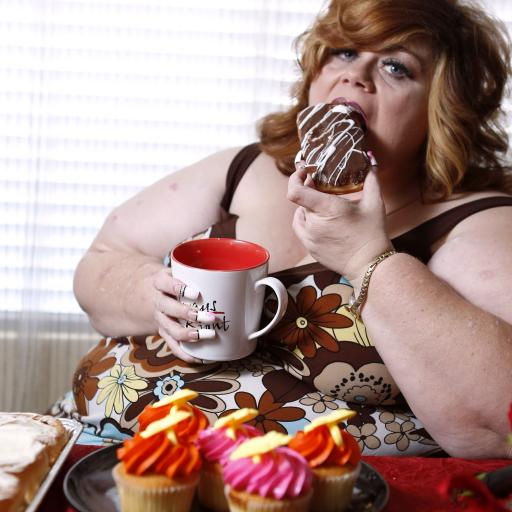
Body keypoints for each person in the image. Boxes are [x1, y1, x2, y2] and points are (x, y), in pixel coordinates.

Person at [57, 0, 512, 458]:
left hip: (292, 484)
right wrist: (151, 298)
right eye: (344, 52)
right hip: (87, 450)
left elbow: (497, 424)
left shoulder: (477, 222)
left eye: (396, 66)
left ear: (443, 105)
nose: (355, 76)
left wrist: (368, 260)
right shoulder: (248, 167)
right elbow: (102, 261)